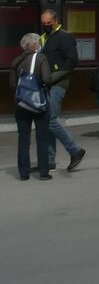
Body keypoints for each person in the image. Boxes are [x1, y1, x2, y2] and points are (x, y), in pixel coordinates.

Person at [39, 9, 85, 172]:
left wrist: (54, 76)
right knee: (47, 120)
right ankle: (49, 160)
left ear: (56, 21)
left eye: (48, 23)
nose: (46, 25)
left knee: (50, 119)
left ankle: (75, 150)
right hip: (46, 84)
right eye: (43, 23)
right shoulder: (44, 38)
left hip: (58, 83)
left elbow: (72, 60)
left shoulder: (64, 37)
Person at [11, 33, 53, 180]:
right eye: (38, 43)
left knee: (23, 138)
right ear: (34, 45)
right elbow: (47, 78)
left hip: (21, 103)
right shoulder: (40, 58)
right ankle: (43, 172)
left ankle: (24, 173)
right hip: (38, 102)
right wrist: (46, 88)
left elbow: (13, 84)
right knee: (42, 137)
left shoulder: (16, 61)